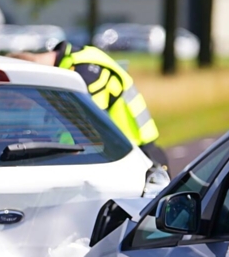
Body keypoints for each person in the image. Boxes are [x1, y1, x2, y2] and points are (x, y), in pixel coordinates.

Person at [12, 40, 168, 169]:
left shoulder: (85, 72)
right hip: (125, 155)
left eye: (17, 100)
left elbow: (91, 130)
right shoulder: (69, 62)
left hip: (139, 160)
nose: (22, 105)